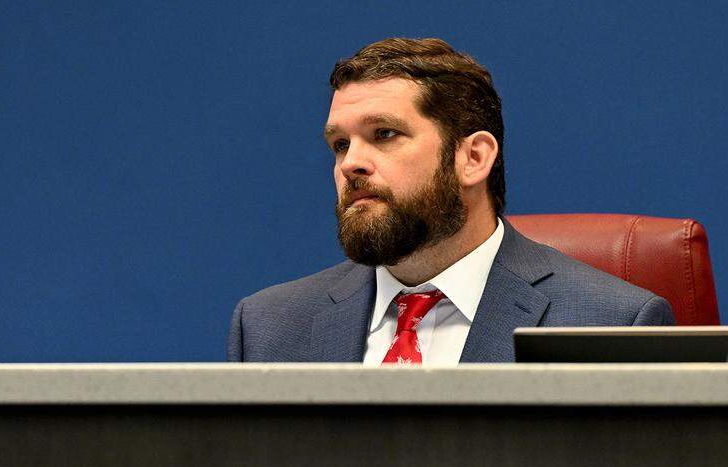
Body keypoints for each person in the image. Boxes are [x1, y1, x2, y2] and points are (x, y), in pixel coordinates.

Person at [228, 37, 673, 364]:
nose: (351, 164)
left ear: (473, 157)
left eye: (384, 134)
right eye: (341, 144)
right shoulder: (269, 328)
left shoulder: (612, 327)